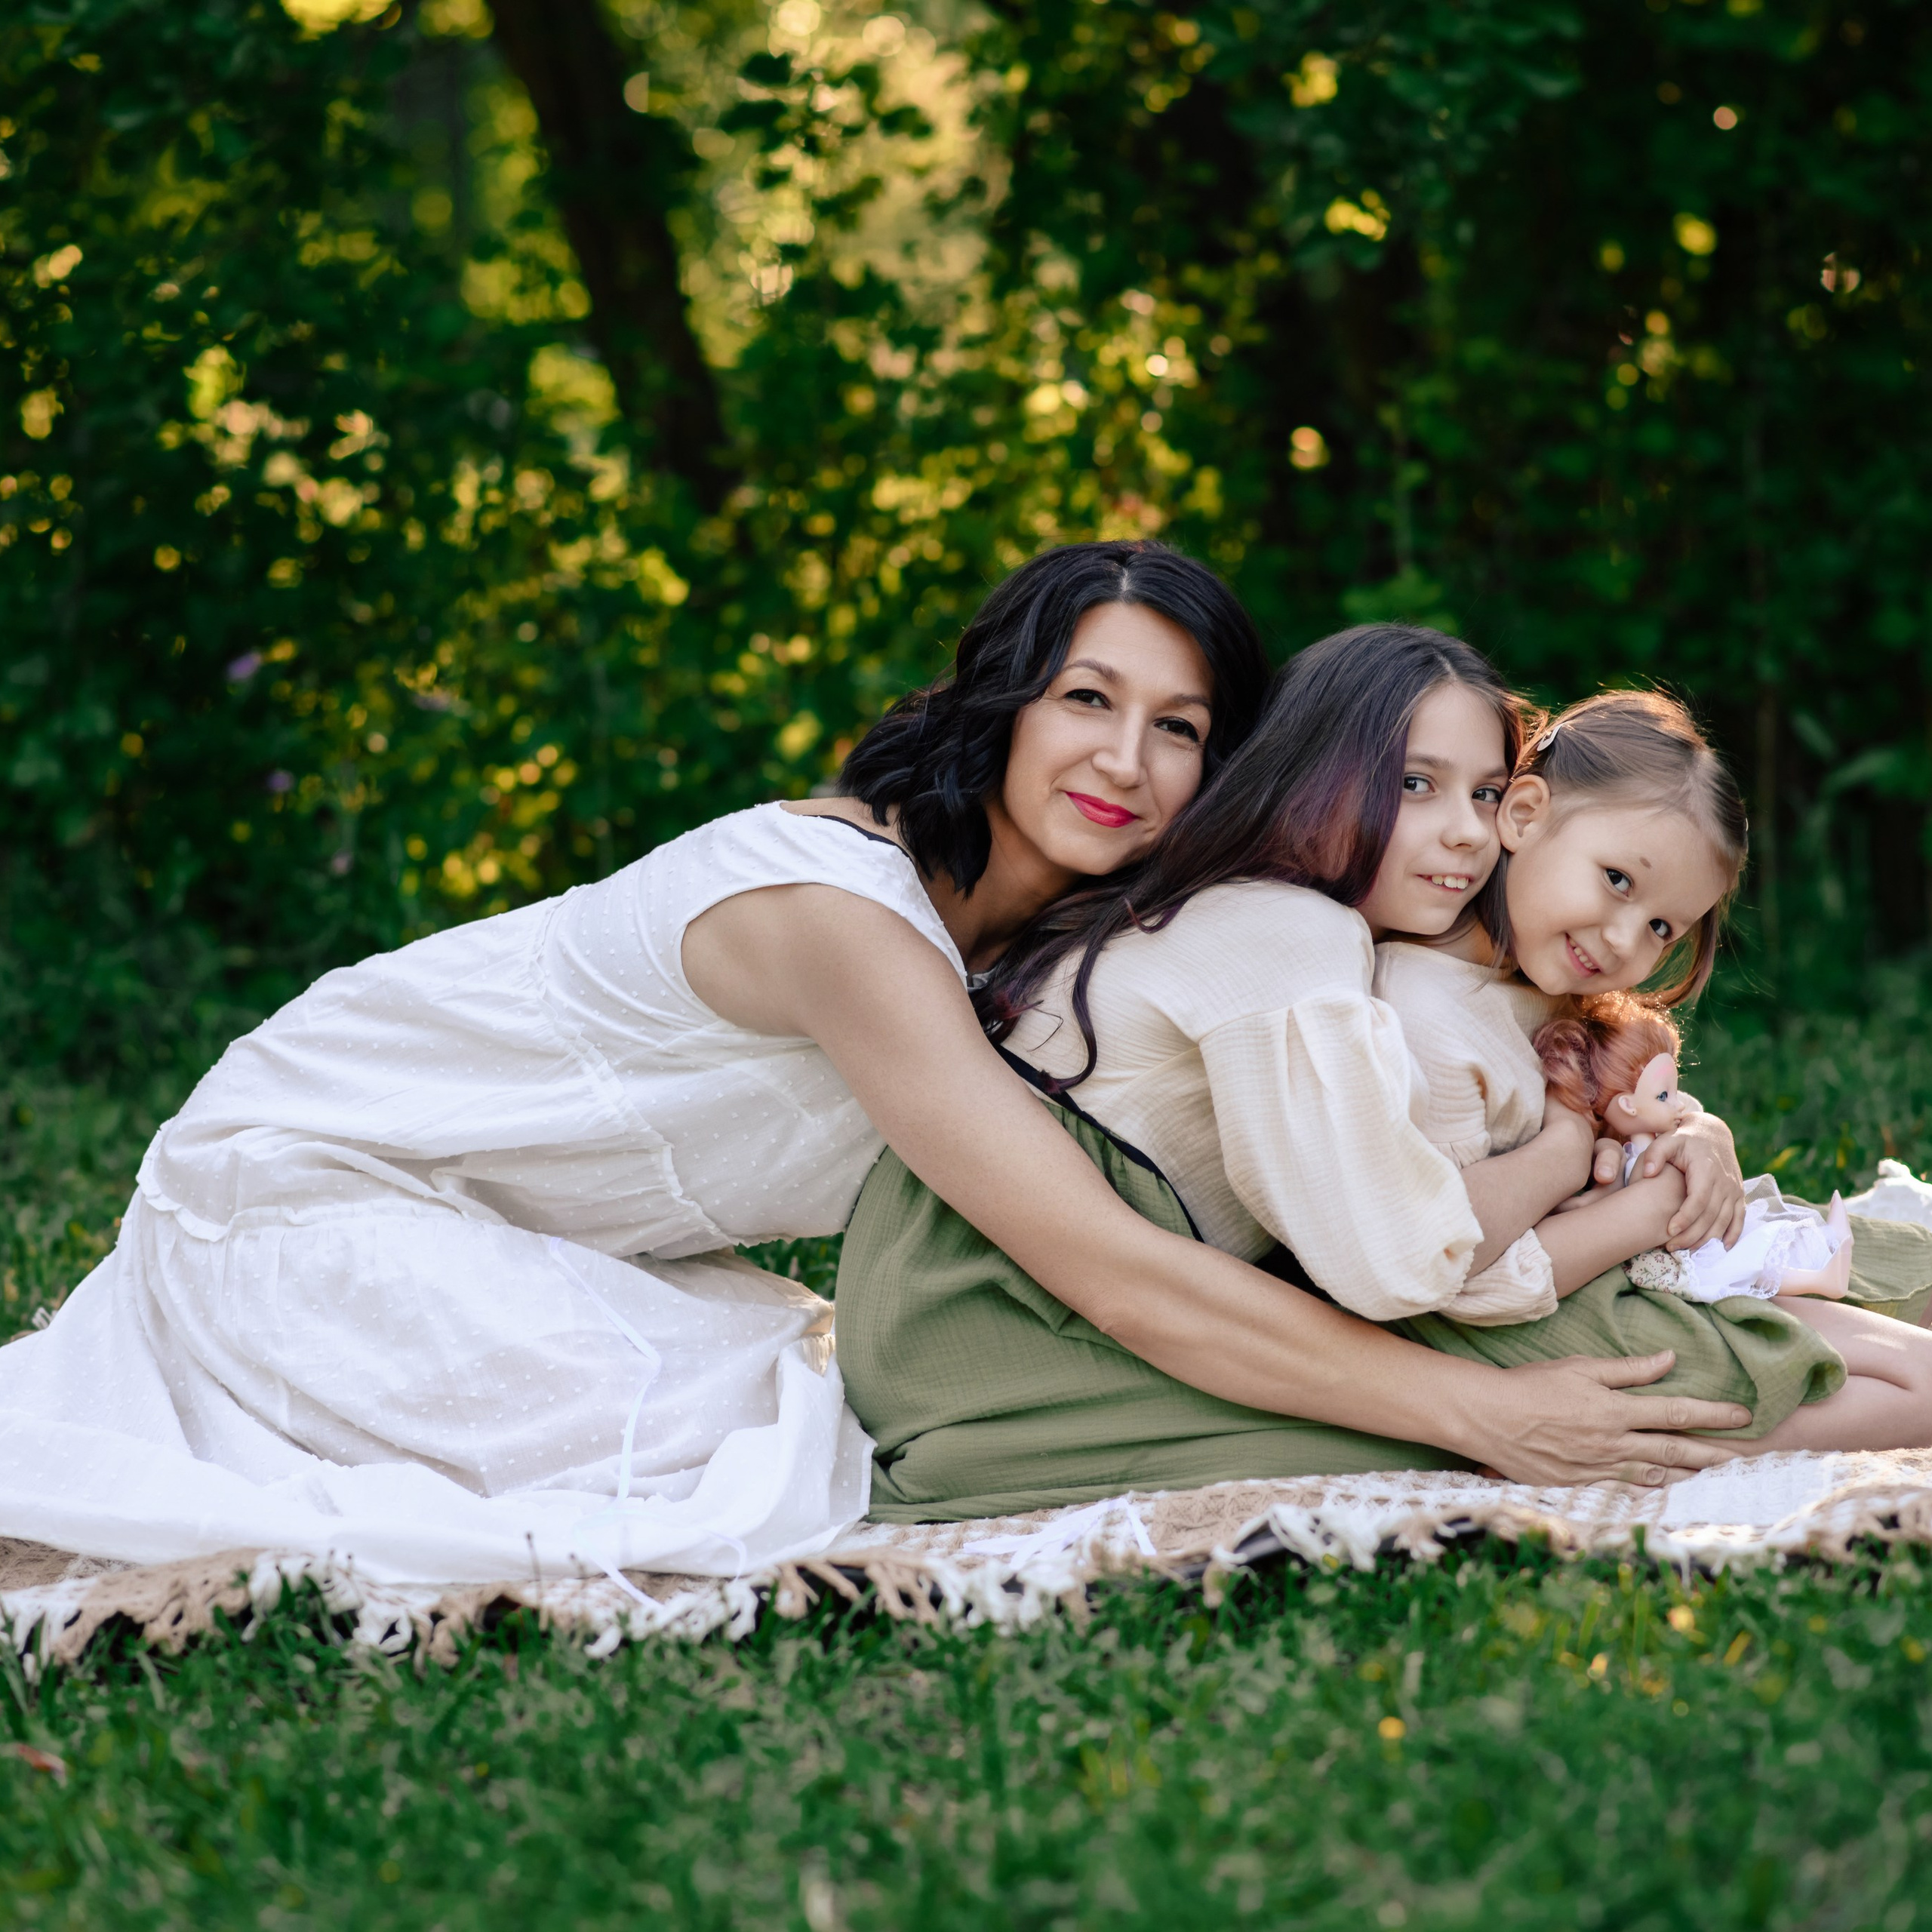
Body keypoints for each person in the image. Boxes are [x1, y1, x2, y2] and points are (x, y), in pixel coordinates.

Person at [0, 540, 1275, 1582]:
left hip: (519, 1232)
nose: (1124, 761)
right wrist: (1405, 1401)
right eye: (1087, 699)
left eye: (1178, 727)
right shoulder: (843, 915)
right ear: (1002, 706)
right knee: (801, 1444)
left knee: (858, 1397)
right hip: (296, 1199)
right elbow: (1111, 1271)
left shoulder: (1052, 954)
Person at [834, 627, 1761, 1522]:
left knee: (1519, 1403)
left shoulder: (1347, 931)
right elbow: (1402, 1260)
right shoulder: (1291, 933)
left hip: (1005, 1294)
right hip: (987, 1312)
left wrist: (1690, 1131)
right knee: (1517, 1422)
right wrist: (1567, 1150)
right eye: (1413, 784)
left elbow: (1550, 1073)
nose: (1464, 834)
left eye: (1484, 794)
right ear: (1315, 770)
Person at [1371, 691, 1932, 1451]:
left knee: (1914, 1276)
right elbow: (1456, 1275)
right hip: (1531, 1323)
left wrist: (1701, 1133)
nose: (1624, 940)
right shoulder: (1423, 1015)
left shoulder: (1535, 982)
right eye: (1617, 880)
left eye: (1662, 926)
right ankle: (1654, 1436)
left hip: (1629, 1262)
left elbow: (1635, 1101)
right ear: (1525, 814)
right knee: (1921, 1384)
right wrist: (1648, 1210)